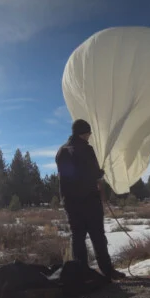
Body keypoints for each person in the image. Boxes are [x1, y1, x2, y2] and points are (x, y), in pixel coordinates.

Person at [55, 119, 126, 281]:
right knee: (98, 236)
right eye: (89, 133)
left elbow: (68, 176)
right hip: (89, 200)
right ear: (84, 133)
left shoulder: (61, 151)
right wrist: (99, 174)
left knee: (78, 237)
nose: (90, 136)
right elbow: (91, 173)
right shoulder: (86, 149)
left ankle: (81, 274)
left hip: (71, 202)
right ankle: (107, 271)